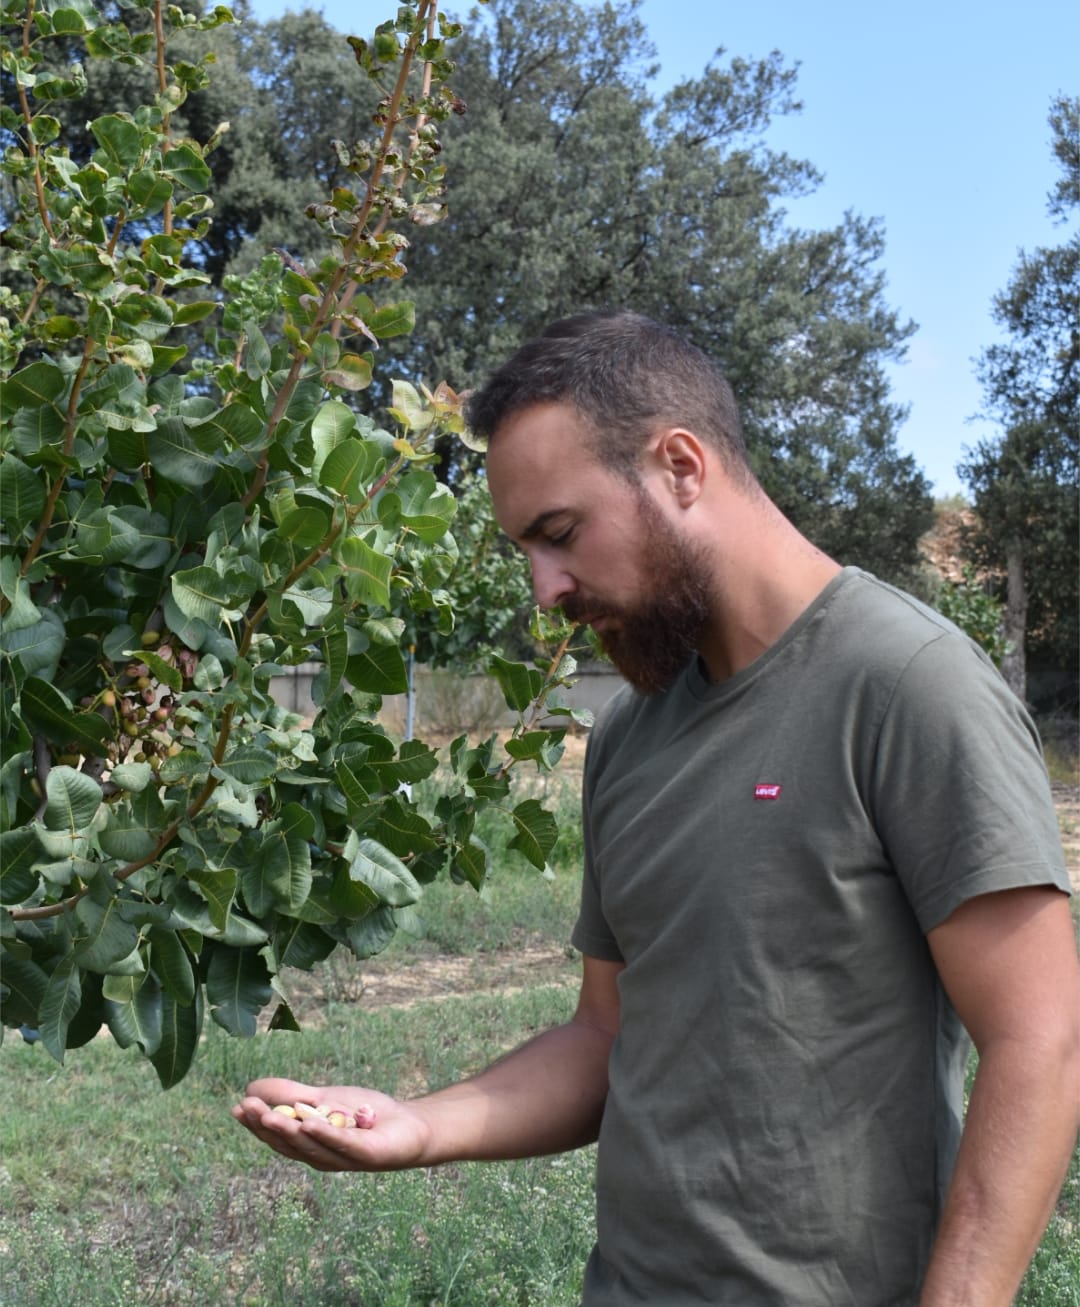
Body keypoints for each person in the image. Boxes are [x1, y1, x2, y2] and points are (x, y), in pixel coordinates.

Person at [234, 311, 1080, 1305]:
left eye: (558, 534)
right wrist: (421, 1123)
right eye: (527, 550)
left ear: (679, 464)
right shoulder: (630, 736)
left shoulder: (905, 686)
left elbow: (1041, 1039)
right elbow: (606, 1031)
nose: (544, 587)